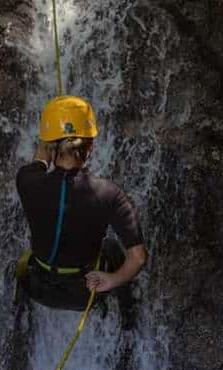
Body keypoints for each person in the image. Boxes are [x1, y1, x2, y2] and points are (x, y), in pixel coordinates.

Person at [14, 95, 148, 311]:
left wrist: (48, 146)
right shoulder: (109, 194)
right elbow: (139, 258)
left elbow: (39, 162)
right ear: (91, 147)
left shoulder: (27, 180)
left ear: (49, 146)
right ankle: (129, 317)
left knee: (22, 261)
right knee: (112, 247)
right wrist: (111, 280)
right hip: (85, 292)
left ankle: (19, 314)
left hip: (37, 287)